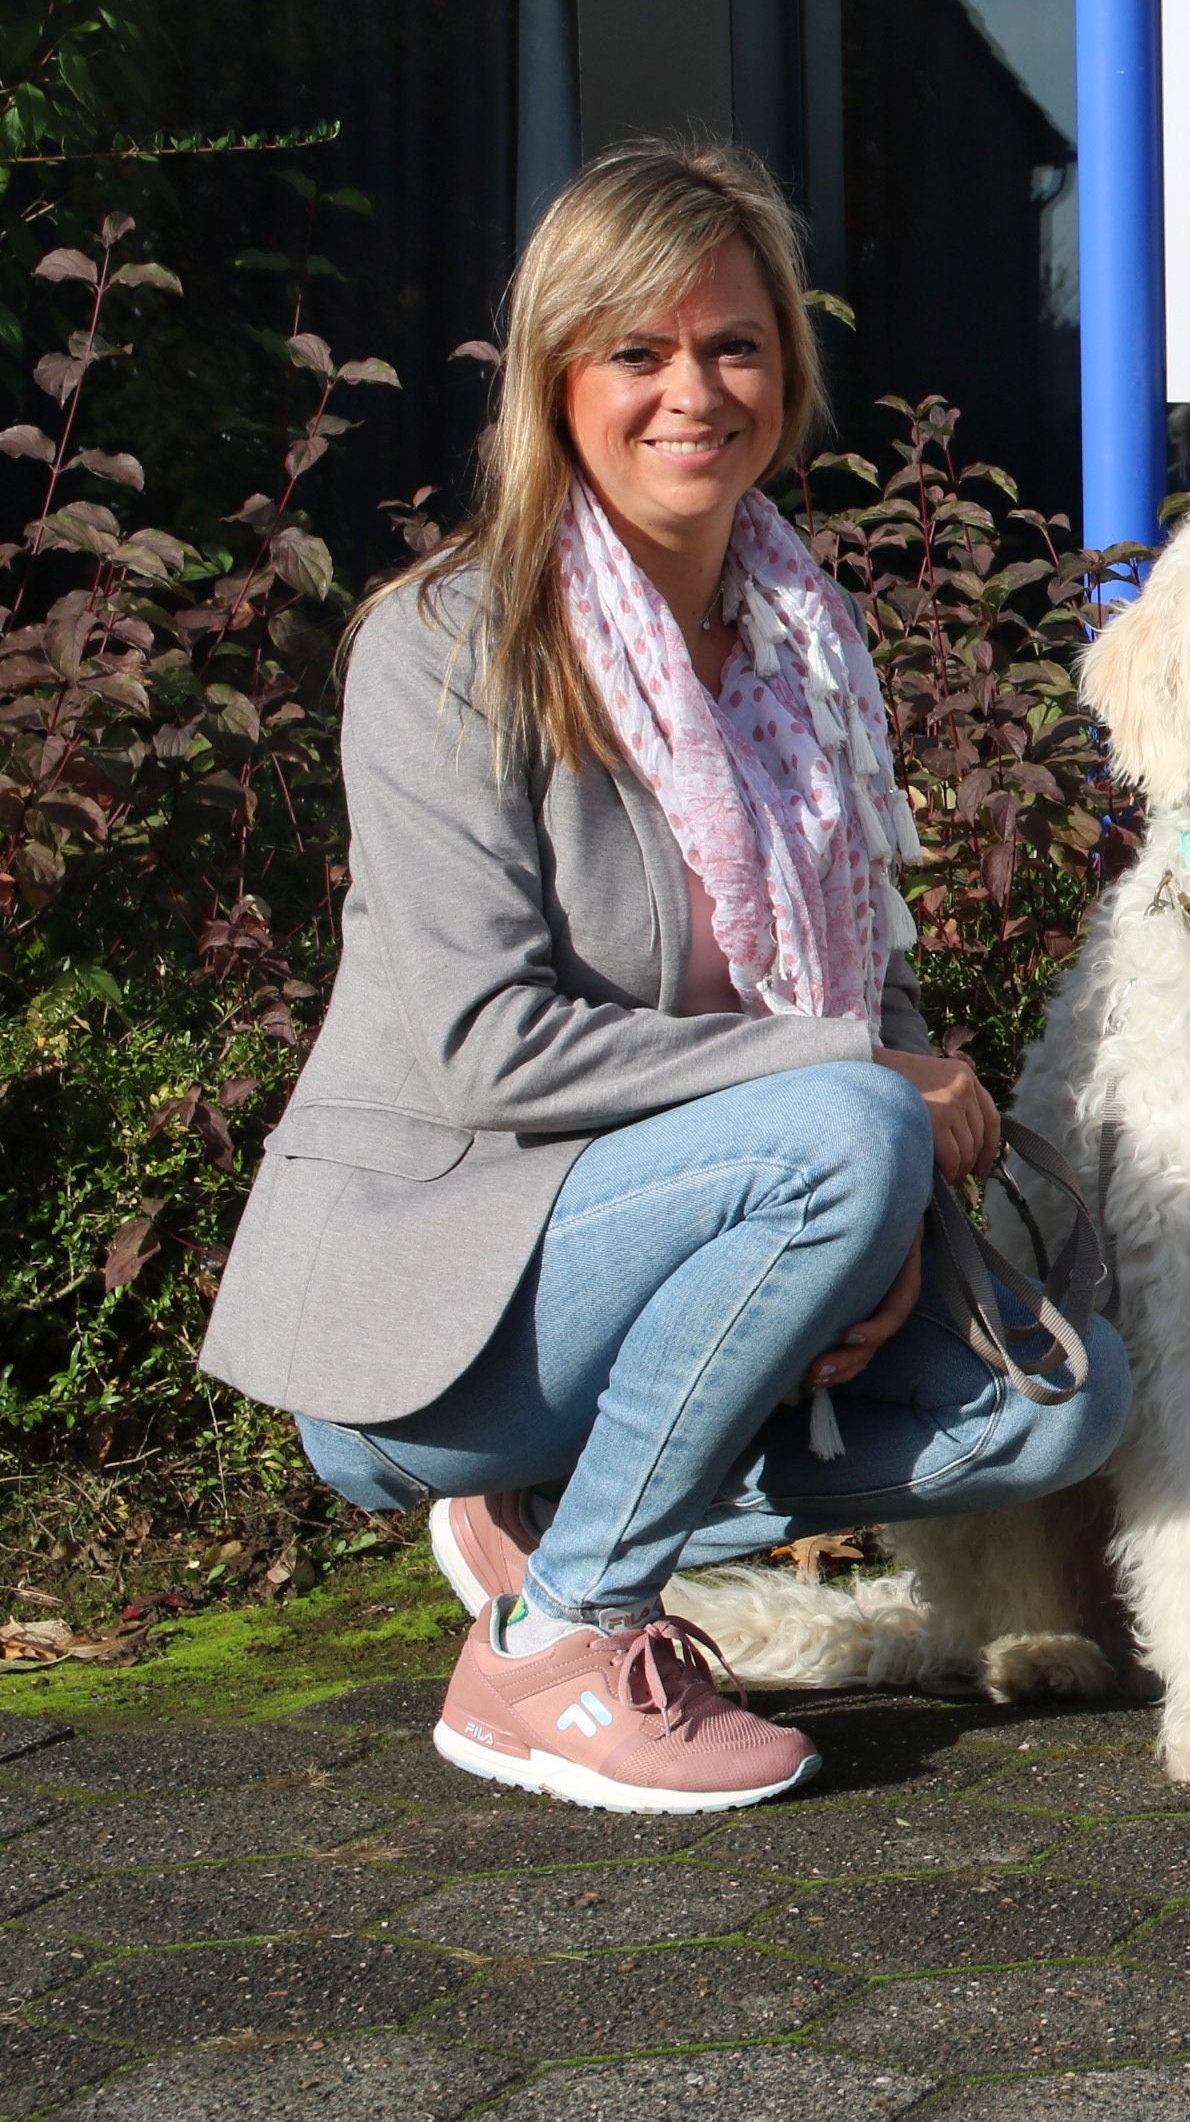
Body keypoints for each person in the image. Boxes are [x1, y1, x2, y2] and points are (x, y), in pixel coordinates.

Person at [204, 142, 1129, 1811]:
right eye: (638, 352)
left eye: (735, 344)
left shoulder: (807, 642)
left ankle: (558, 1513)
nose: (693, 391)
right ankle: (561, 1643)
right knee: (844, 1124)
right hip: (441, 1316)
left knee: (1060, 1407)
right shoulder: (441, 648)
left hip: (744, 1231)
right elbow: (493, 1051)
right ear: (560, 379)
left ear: (788, 365)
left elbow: (883, 979)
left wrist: (896, 1248)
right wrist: (852, 1106)